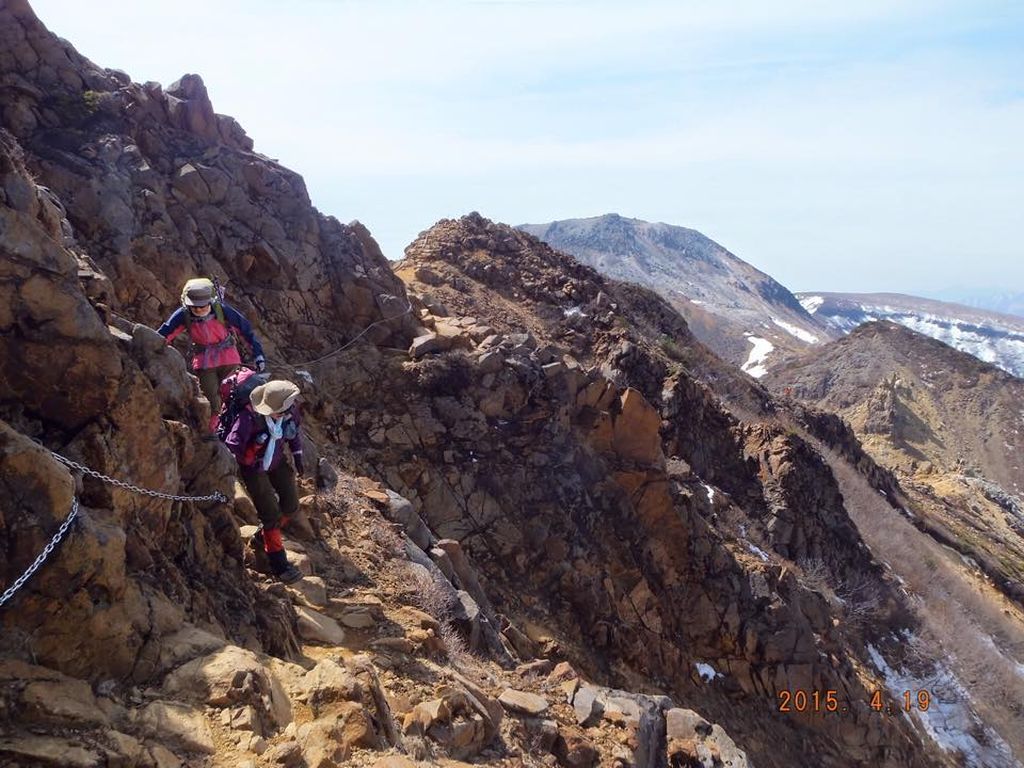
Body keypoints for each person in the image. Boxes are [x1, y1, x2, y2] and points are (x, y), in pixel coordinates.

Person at [157, 278, 266, 432]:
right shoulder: (184, 314)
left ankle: (227, 428)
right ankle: (212, 429)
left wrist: (258, 354)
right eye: (195, 308)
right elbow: (166, 332)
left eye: (202, 307)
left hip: (228, 358)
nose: (199, 311)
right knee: (211, 398)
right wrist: (152, 345)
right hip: (204, 362)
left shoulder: (221, 310)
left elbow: (245, 330)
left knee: (230, 395)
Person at [225, 379, 305, 584]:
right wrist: (232, 469)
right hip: (253, 468)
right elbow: (232, 445)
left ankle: (263, 537)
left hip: (276, 460)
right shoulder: (249, 418)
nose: (292, 407)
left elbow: (293, 435)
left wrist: (298, 457)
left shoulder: (289, 414)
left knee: (291, 505)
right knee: (271, 514)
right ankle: (279, 565)